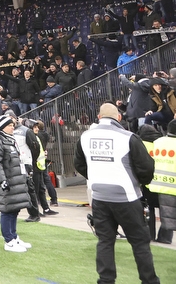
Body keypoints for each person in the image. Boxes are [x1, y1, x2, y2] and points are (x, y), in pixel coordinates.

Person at [74, 103, 159, 284]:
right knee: (139, 243)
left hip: (99, 197)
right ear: (119, 118)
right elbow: (147, 167)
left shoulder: (85, 137)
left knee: (105, 241)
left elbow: (79, 164)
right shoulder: (128, 137)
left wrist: (96, 177)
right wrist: (139, 183)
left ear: (98, 117)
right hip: (127, 196)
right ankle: (149, 280)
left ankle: (105, 281)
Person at [0, 113, 32, 252]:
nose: (12, 127)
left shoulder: (9, 139)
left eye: (13, 125)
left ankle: (14, 236)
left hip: (15, 180)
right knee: (7, 211)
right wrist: (2, 181)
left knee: (14, 209)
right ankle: (8, 241)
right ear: (2, 127)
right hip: (7, 181)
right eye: (9, 125)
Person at [147, 119, 176, 245]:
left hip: (155, 184)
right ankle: (165, 237)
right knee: (169, 215)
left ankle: (152, 236)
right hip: (172, 186)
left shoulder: (158, 142)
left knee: (157, 213)